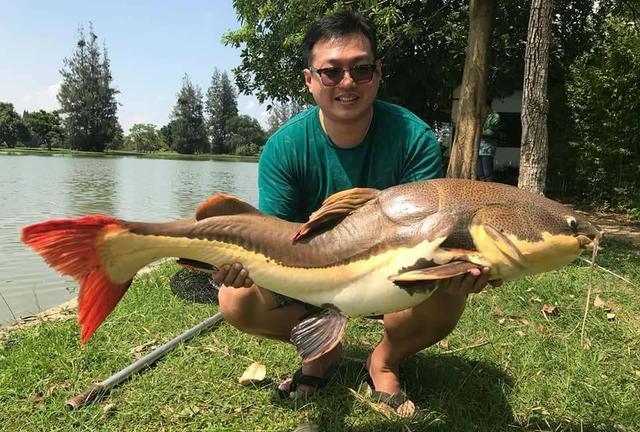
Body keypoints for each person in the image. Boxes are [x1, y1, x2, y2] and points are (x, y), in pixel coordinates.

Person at [213, 10, 495, 414]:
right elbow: (277, 237)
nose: (347, 83)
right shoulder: (284, 147)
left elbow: (430, 231)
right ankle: (322, 352)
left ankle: (384, 360)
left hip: (394, 277)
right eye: (331, 72)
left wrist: (463, 263)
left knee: (448, 292)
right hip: (311, 276)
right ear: (310, 80)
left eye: (360, 70)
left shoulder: (414, 139)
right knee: (234, 299)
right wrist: (243, 267)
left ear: (377, 73)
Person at [477, 99, 501, 181]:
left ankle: (490, 191)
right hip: (477, 148)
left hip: (488, 148)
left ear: (487, 106)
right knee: (480, 173)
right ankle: (481, 192)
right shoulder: (479, 116)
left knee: (487, 172)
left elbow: (490, 132)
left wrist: (477, 131)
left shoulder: (495, 116)